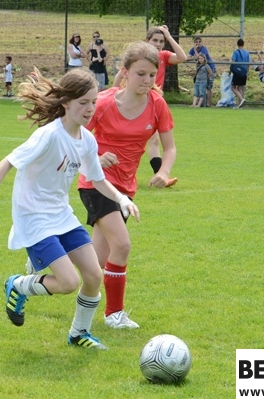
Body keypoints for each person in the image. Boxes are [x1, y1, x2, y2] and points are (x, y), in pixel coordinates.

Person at [0, 68, 140, 349]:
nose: (90, 109)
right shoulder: (49, 135)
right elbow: (8, 162)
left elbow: (97, 179)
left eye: (93, 102)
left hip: (61, 215)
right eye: (83, 103)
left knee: (93, 275)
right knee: (68, 282)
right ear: (65, 103)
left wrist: (122, 199)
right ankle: (18, 285)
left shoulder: (87, 139)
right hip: (34, 218)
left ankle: (79, 333)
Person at [77, 41, 176, 330]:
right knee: (122, 245)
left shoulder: (157, 105)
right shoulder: (104, 103)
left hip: (125, 190)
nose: (147, 80)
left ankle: (37, 269)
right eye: (140, 74)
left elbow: (169, 148)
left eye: (151, 75)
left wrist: (164, 171)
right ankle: (114, 314)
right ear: (125, 72)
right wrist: (97, 158)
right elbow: (73, 141)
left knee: (95, 263)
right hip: (96, 183)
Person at [114, 25, 183, 187]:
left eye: (161, 41)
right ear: (147, 41)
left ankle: (160, 174)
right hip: (136, 102)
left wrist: (169, 36)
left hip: (153, 104)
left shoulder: (163, 56)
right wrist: (114, 93)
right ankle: (156, 174)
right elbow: (120, 76)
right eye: (155, 40)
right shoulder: (138, 59)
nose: (158, 44)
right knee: (142, 141)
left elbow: (182, 57)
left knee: (154, 141)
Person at [187, 36, 216, 107]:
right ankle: (198, 103)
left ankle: (208, 103)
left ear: (202, 43)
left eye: (199, 42)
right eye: (196, 42)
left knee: (208, 86)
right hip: (201, 70)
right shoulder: (192, 49)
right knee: (200, 86)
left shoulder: (204, 49)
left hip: (210, 68)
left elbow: (200, 57)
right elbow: (187, 57)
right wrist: (194, 56)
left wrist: (195, 51)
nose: (198, 43)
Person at [230, 38, 250, 108]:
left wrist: (231, 70)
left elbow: (233, 62)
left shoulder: (236, 52)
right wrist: (247, 71)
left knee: (233, 87)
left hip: (237, 72)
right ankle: (239, 105)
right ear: (243, 44)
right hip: (244, 72)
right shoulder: (247, 53)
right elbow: (249, 63)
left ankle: (241, 99)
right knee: (240, 88)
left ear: (237, 44)